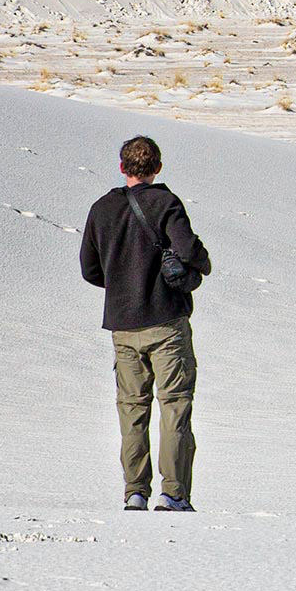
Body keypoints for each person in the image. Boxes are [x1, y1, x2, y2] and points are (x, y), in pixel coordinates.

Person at [80, 135, 212, 512]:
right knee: (174, 406)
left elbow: (90, 269)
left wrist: (122, 281)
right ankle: (173, 494)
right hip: (166, 322)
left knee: (132, 409)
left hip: (123, 326)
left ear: (122, 167)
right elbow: (189, 251)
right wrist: (200, 262)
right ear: (157, 167)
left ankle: (135, 492)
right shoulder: (166, 203)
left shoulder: (101, 209)